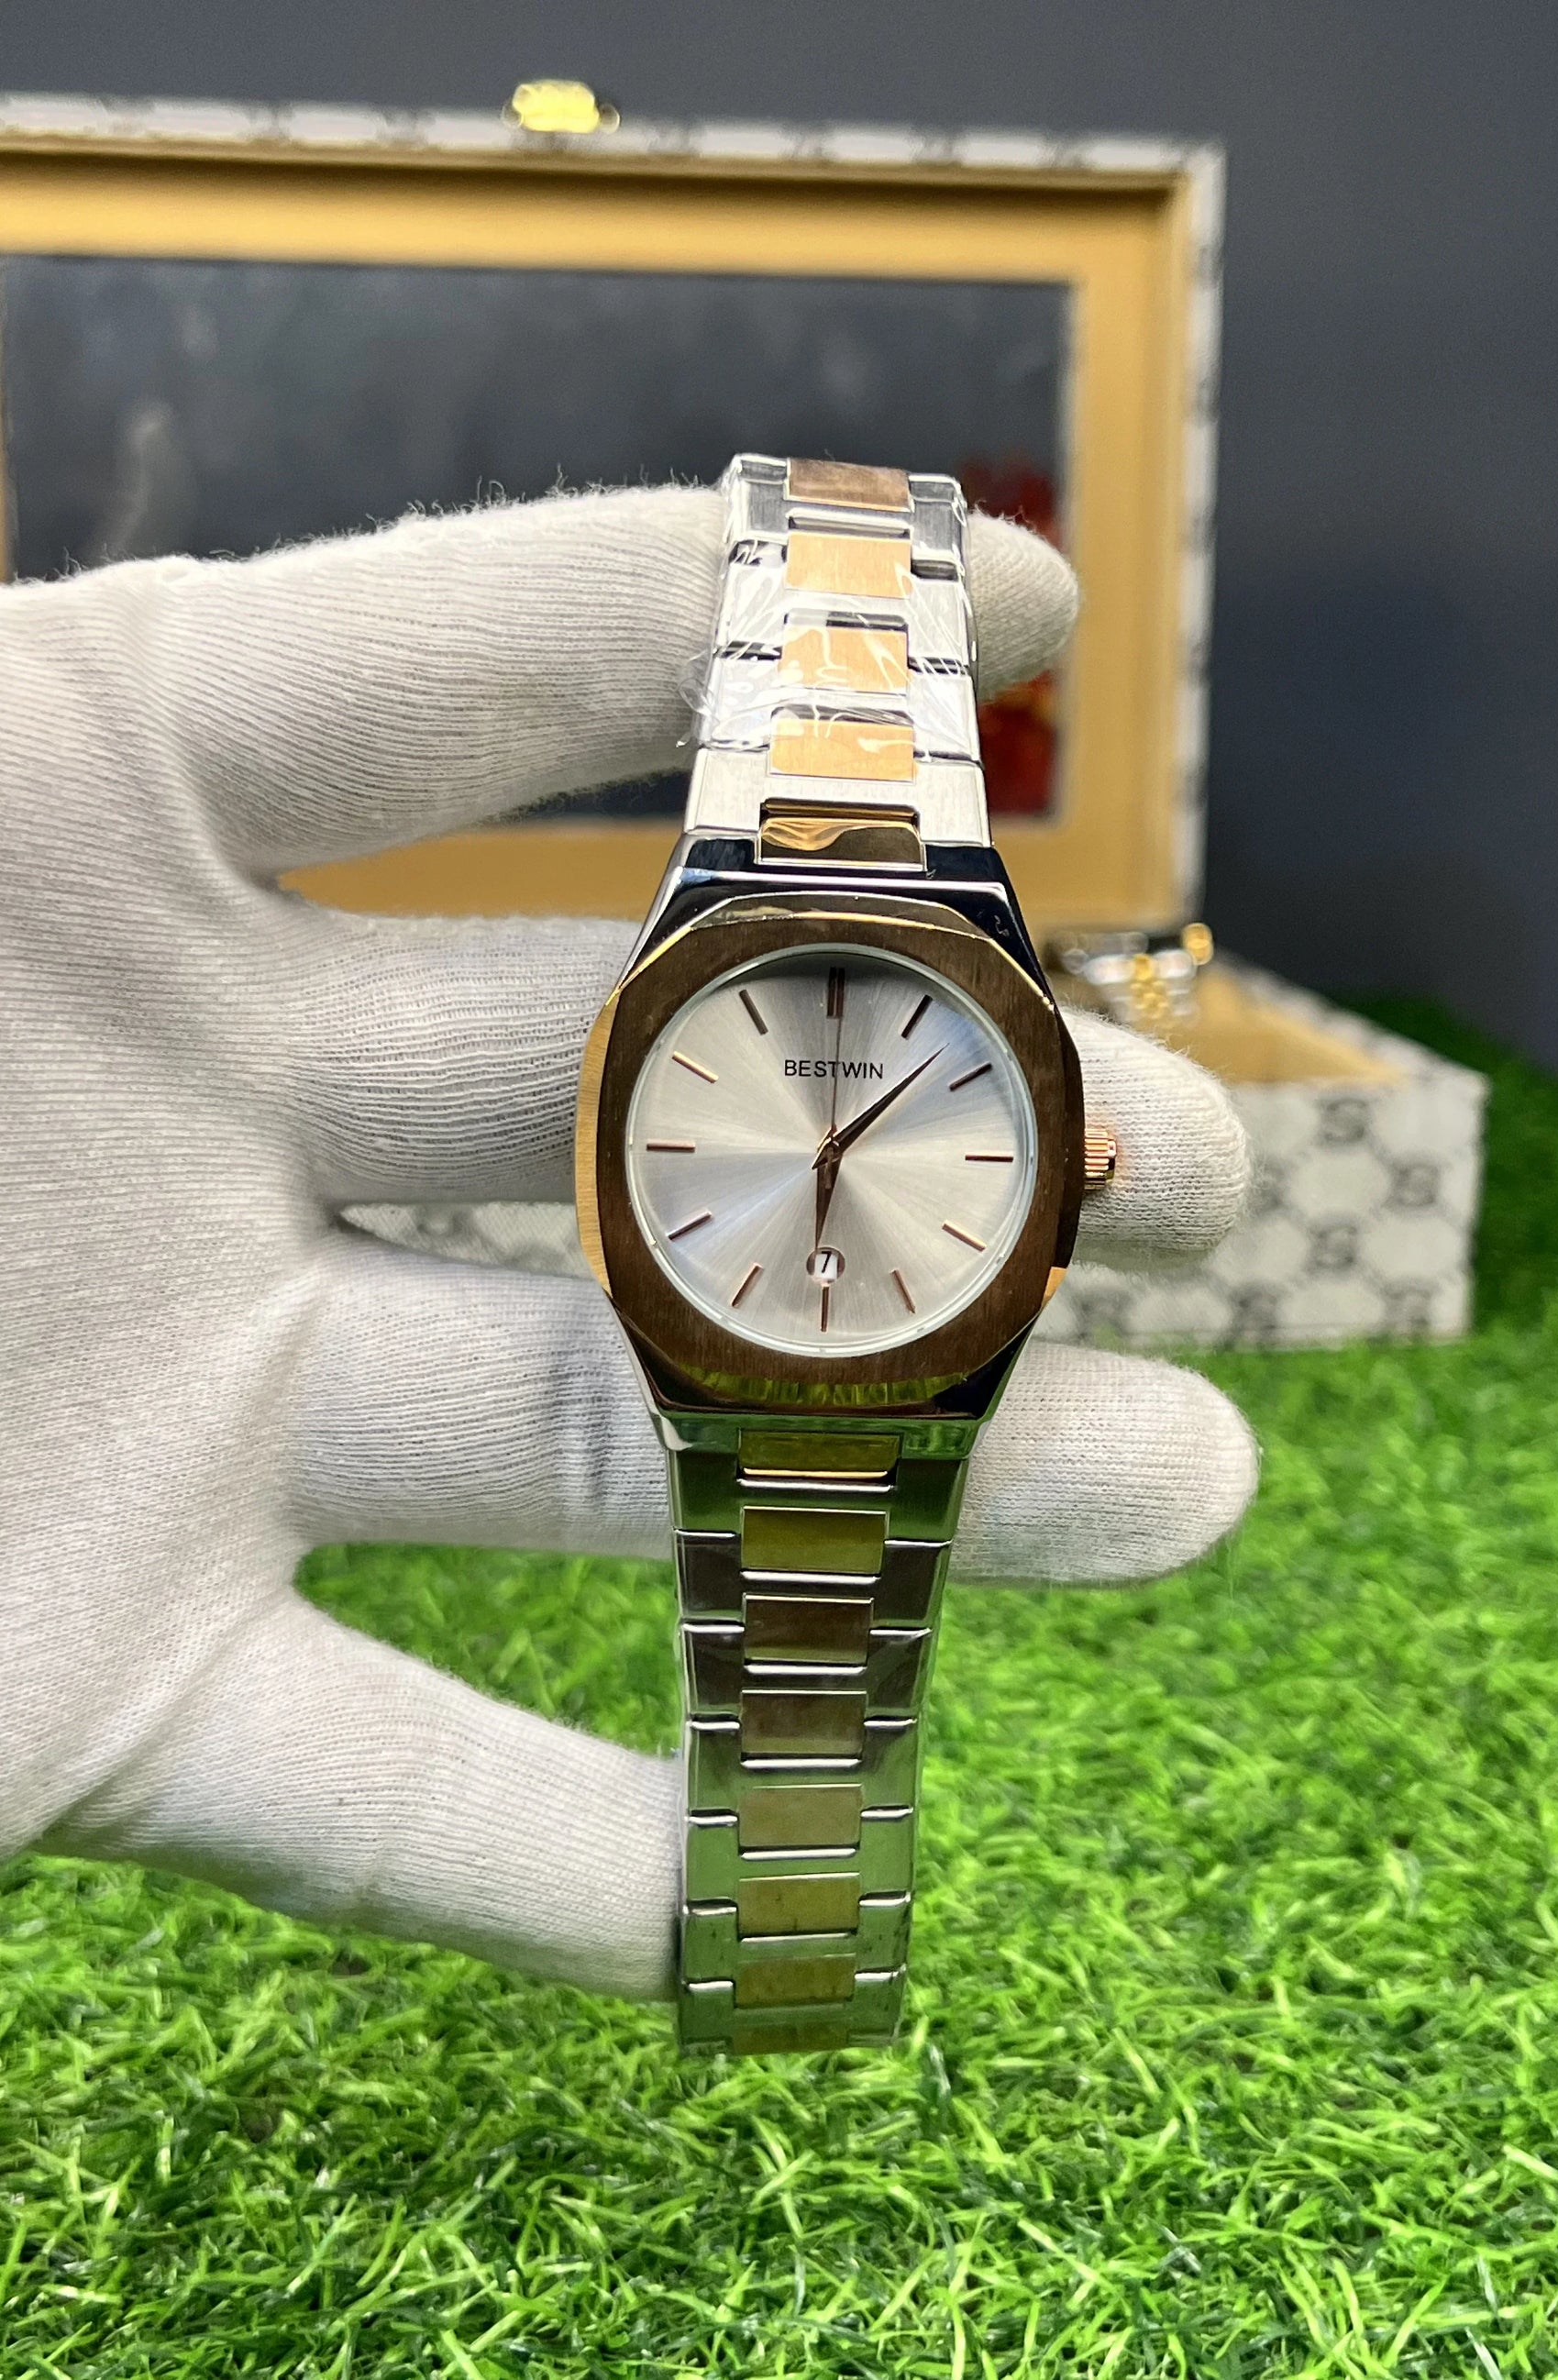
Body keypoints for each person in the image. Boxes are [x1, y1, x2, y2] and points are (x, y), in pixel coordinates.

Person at [0, 482, 1256, 1998]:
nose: (828, 1154)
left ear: (1071, 1165)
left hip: (856, 1335)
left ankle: (790, 1935)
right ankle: (791, 1937)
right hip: (750, 1328)